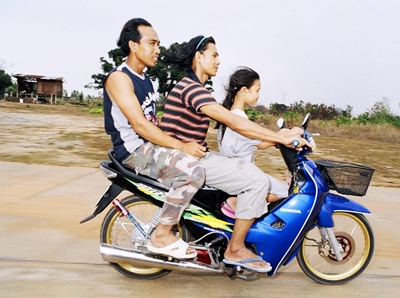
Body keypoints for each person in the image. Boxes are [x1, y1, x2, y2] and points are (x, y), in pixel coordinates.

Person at [159, 35, 312, 272]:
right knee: (258, 182)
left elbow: (245, 131)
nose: (218, 61)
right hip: (185, 160)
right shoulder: (192, 88)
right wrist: (279, 136)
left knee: (257, 180)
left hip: (196, 157)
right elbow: (237, 123)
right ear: (199, 57)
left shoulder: (196, 88)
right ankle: (236, 247)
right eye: (214, 55)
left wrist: (278, 137)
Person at [103, 18, 207, 260]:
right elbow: (139, 124)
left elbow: (152, 123)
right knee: (192, 171)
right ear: (133, 46)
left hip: (148, 146)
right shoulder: (119, 78)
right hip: (134, 152)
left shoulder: (145, 79)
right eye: (152, 43)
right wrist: (181, 147)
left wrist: (182, 142)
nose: (158, 49)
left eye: (159, 44)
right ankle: (161, 236)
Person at [216, 67, 302, 218]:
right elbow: (261, 141)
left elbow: (259, 143)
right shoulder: (239, 118)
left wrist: (280, 136)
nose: (258, 96)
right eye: (257, 90)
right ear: (244, 90)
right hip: (241, 172)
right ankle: (237, 201)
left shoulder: (229, 115)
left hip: (235, 169)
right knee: (283, 191)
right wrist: (283, 136)